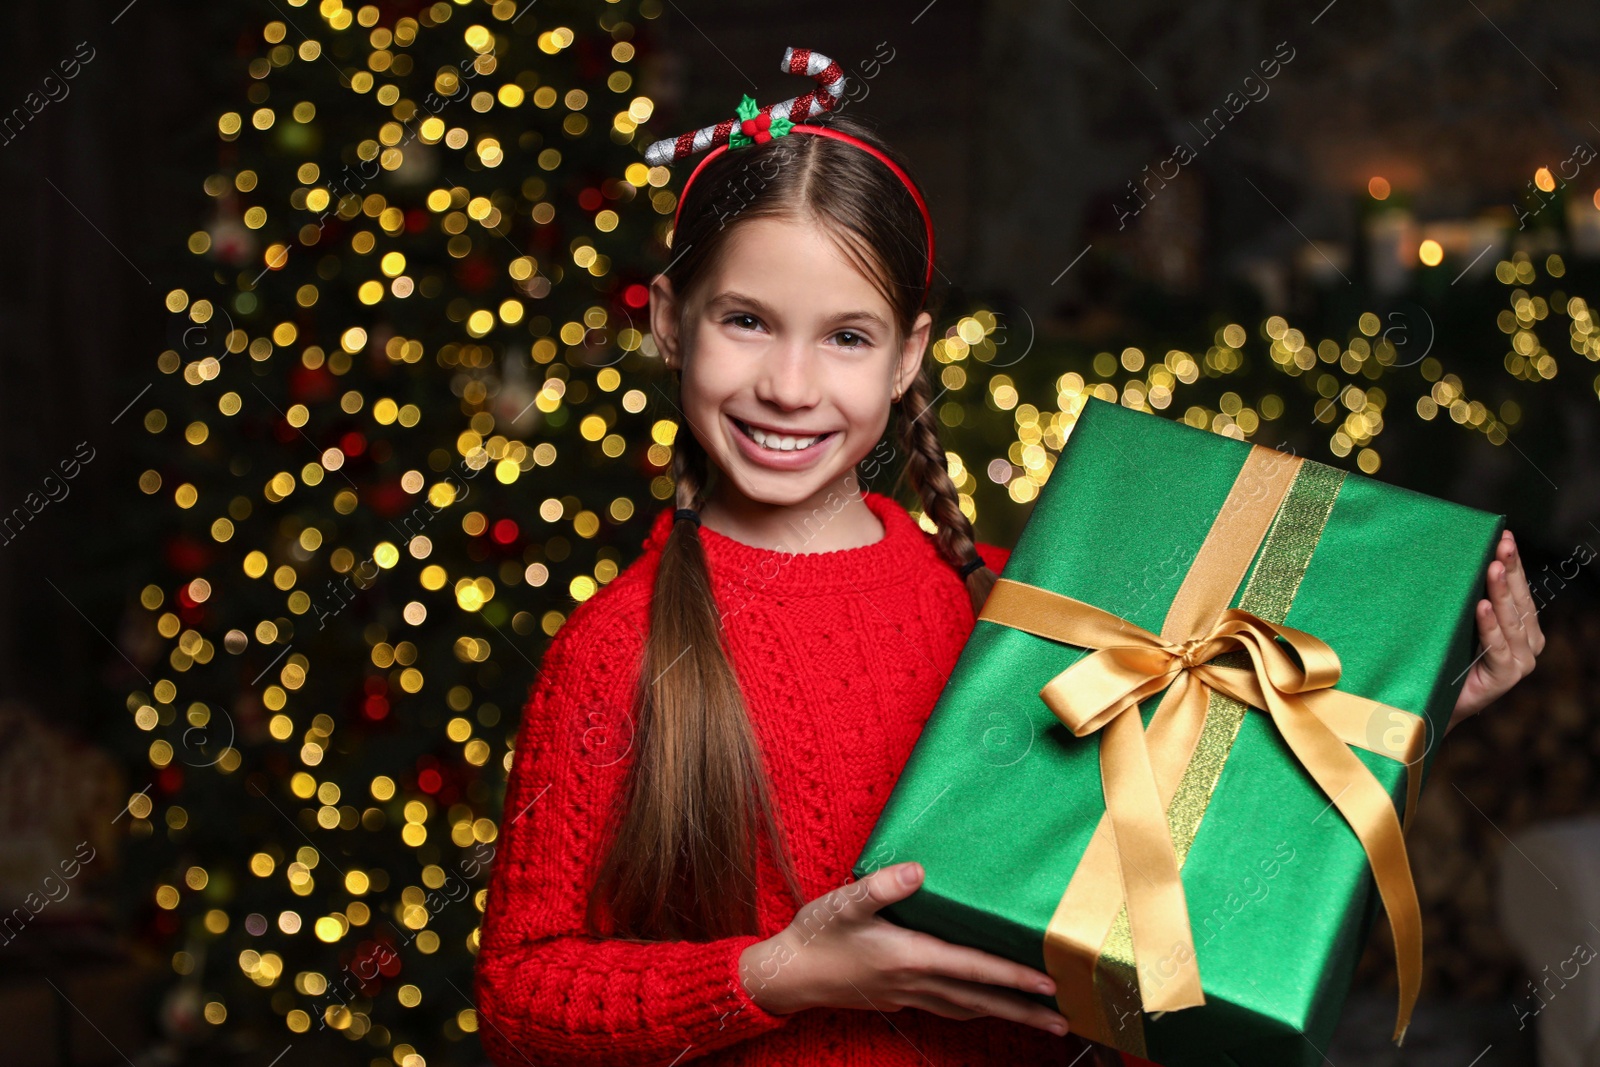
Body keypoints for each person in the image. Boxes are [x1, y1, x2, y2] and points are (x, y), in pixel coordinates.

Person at [473, 83, 1544, 1067]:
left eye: (846, 336)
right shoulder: (616, 649)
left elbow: (1187, 855)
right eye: (746, 320)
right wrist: (781, 973)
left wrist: (1405, 713)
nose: (789, 384)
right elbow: (520, 997)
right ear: (668, 321)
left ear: (906, 355)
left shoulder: (1007, 603)